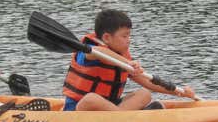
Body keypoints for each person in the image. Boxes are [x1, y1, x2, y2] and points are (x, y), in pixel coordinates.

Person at [62, 9, 196, 111]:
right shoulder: (88, 50)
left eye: (129, 35)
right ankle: (130, 119)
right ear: (107, 38)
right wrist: (127, 64)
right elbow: (99, 52)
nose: (129, 39)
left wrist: (181, 93)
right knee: (91, 99)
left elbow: (149, 82)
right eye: (124, 36)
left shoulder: (122, 56)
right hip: (79, 110)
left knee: (145, 94)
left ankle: (122, 118)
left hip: (110, 110)